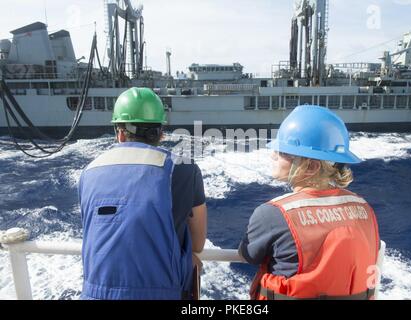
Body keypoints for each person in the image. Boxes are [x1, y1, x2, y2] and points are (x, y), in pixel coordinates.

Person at [239, 105, 380, 300]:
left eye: (283, 151)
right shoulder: (364, 208)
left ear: (311, 166)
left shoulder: (272, 214)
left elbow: (249, 255)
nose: (273, 155)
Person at [79, 87, 207, 300]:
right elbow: (197, 244)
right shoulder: (183, 169)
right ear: (161, 132)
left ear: (119, 132)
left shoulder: (88, 172)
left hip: (94, 293)